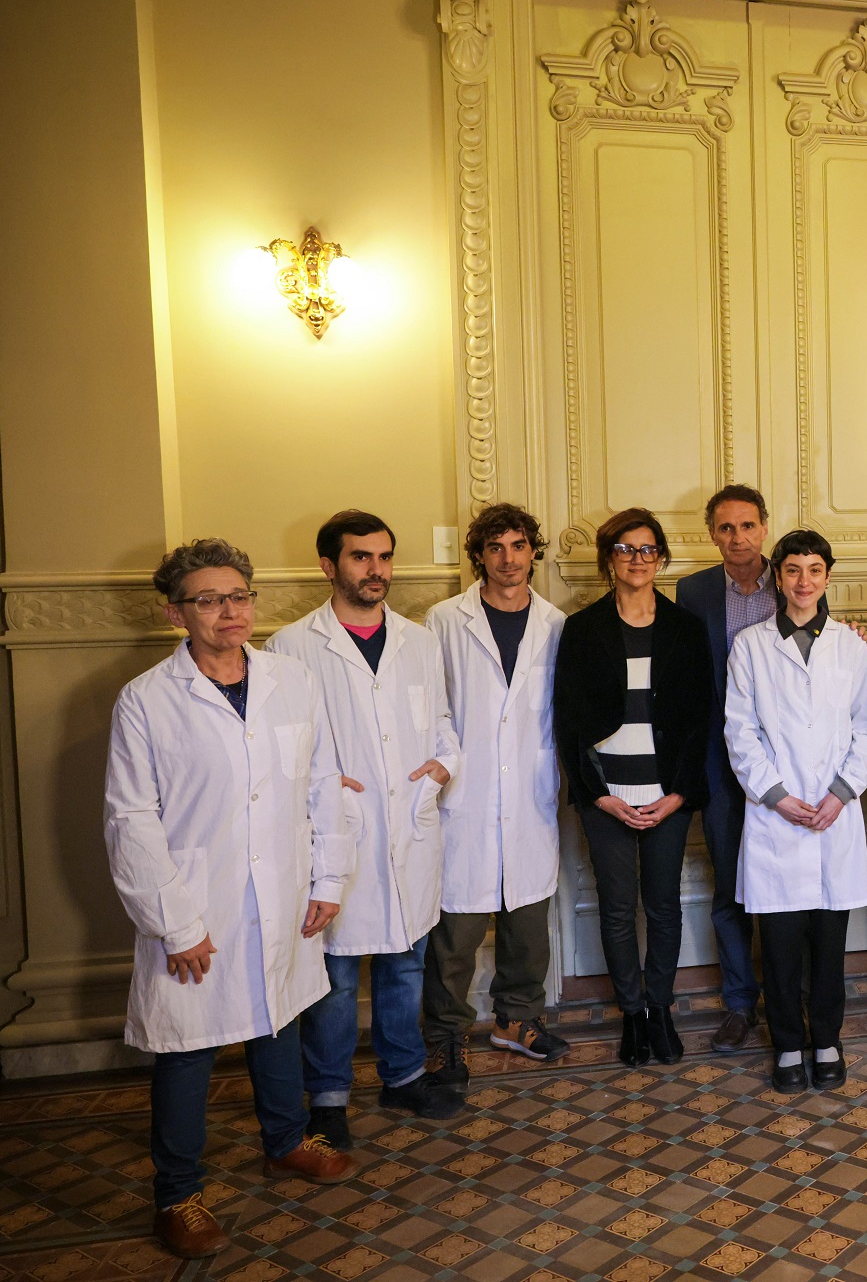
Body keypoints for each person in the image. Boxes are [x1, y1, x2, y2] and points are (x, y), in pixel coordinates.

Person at [107, 540, 357, 1259]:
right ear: (175, 611)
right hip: (197, 899)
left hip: (281, 889)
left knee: (276, 1018)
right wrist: (175, 922)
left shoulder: (292, 680)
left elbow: (323, 783)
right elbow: (131, 819)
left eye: (239, 595)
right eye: (209, 599)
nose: (229, 611)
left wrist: (329, 878)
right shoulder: (148, 699)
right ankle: (177, 1193)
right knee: (187, 1049)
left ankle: (284, 1141)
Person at [268, 511, 463, 1147]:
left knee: (407, 963)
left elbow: (441, 723)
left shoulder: (419, 640)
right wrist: (320, 788)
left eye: (384, 556)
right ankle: (328, 1095)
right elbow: (279, 750)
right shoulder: (291, 647)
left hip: (409, 824)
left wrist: (443, 764)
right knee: (337, 973)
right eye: (361, 558)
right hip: (338, 833)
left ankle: (403, 1074)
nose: (376, 570)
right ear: (330, 566)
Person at [554, 508, 716, 1067]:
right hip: (607, 797)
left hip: (668, 794)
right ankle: (632, 1014)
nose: (637, 559)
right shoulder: (582, 629)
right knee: (619, 908)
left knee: (664, 906)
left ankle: (661, 1009)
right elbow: (569, 722)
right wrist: (598, 796)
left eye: (647, 550)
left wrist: (679, 794)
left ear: (662, 558)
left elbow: (701, 723)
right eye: (625, 550)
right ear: (608, 560)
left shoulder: (685, 629)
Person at [724, 529, 867, 1093]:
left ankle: (828, 1040)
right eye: (793, 570)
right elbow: (740, 733)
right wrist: (778, 797)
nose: (804, 581)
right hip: (777, 817)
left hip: (834, 815)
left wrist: (840, 793)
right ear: (777, 577)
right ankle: (788, 1044)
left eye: (815, 570)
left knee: (828, 947)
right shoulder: (749, 646)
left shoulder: (850, 645)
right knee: (783, 947)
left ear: (827, 577)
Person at [422, 503, 569, 1088]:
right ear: (478, 555)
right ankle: (446, 1039)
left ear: (533, 550)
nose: (509, 559)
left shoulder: (556, 624)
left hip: (531, 794)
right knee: (455, 934)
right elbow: (428, 707)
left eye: (518, 546)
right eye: (495, 548)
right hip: (467, 794)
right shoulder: (442, 621)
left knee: (528, 928)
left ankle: (518, 1021)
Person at [674, 485, 776, 1053]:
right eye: (725, 528)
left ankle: (792, 995)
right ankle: (740, 1004)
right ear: (712, 533)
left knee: (791, 884)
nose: (737, 538)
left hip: (790, 761)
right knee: (730, 884)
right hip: (720, 761)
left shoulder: (793, 576)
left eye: (747, 526)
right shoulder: (694, 592)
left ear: (764, 526)